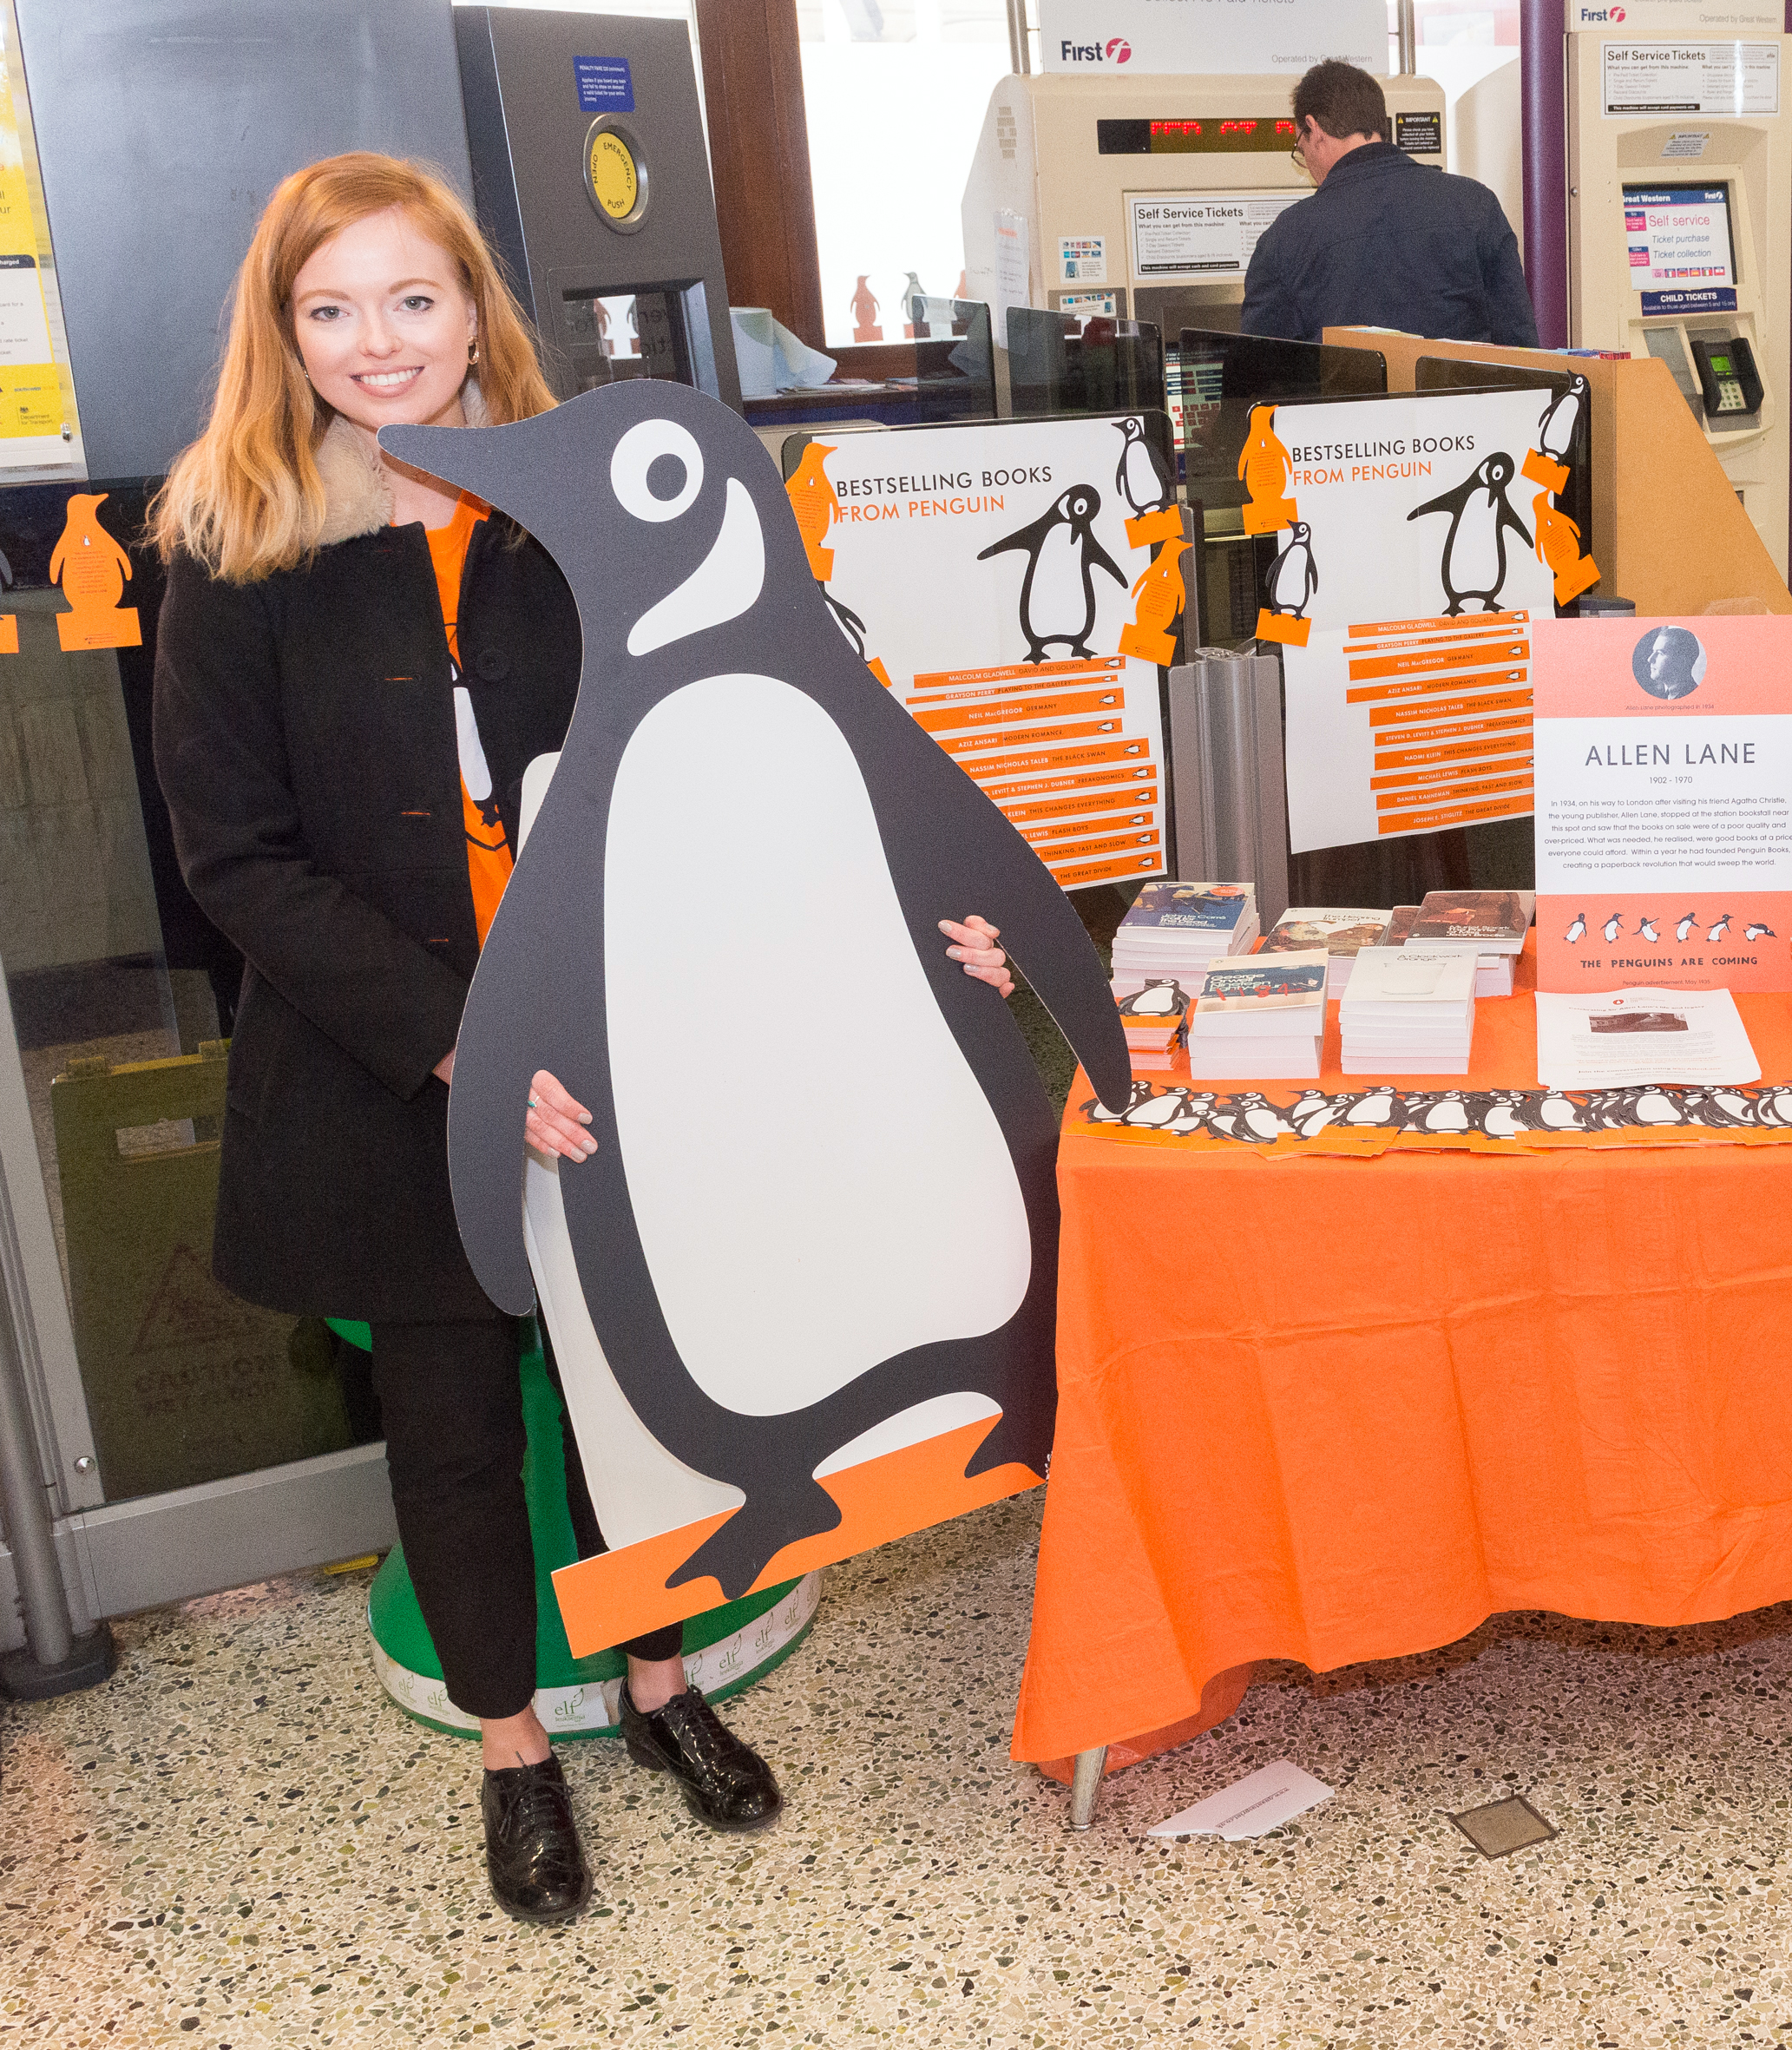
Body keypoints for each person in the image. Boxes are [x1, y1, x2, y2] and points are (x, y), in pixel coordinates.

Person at [147, 155, 1023, 1923]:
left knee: (645, 1390)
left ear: (476, 305)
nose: (378, 343)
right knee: (457, 1415)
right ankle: (511, 1749)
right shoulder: (231, 544)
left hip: (634, 1053)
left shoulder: (587, 516)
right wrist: (466, 1041)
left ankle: (658, 1683)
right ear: (283, 331)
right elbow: (236, 858)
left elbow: (755, 753)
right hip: (397, 1069)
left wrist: (925, 921)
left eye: (412, 298)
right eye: (332, 310)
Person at [1241, 60, 1538, 347]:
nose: (1306, 163)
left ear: (1313, 128)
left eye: (1300, 147)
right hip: (1465, 398)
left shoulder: (1285, 238)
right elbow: (1521, 348)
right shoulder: (1476, 204)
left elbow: (1264, 374)